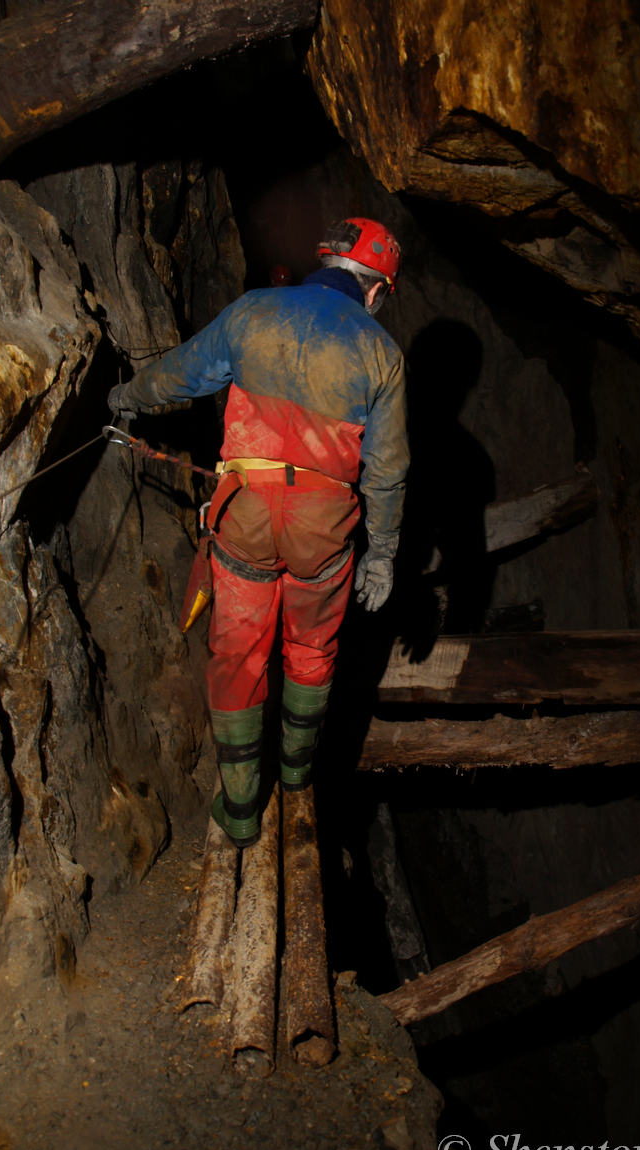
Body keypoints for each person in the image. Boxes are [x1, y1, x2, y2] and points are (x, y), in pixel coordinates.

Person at [108, 218, 408, 848]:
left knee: (239, 653)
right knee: (310, 651)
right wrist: (381, 555)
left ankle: (241, 809)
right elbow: (386, 471)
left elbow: (182, 373)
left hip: (243, 514)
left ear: (321, 260)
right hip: (320, 533)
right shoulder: (381, 354)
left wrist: (127, 397)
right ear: (376, 291)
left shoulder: (254, 312)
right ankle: (297, 777)